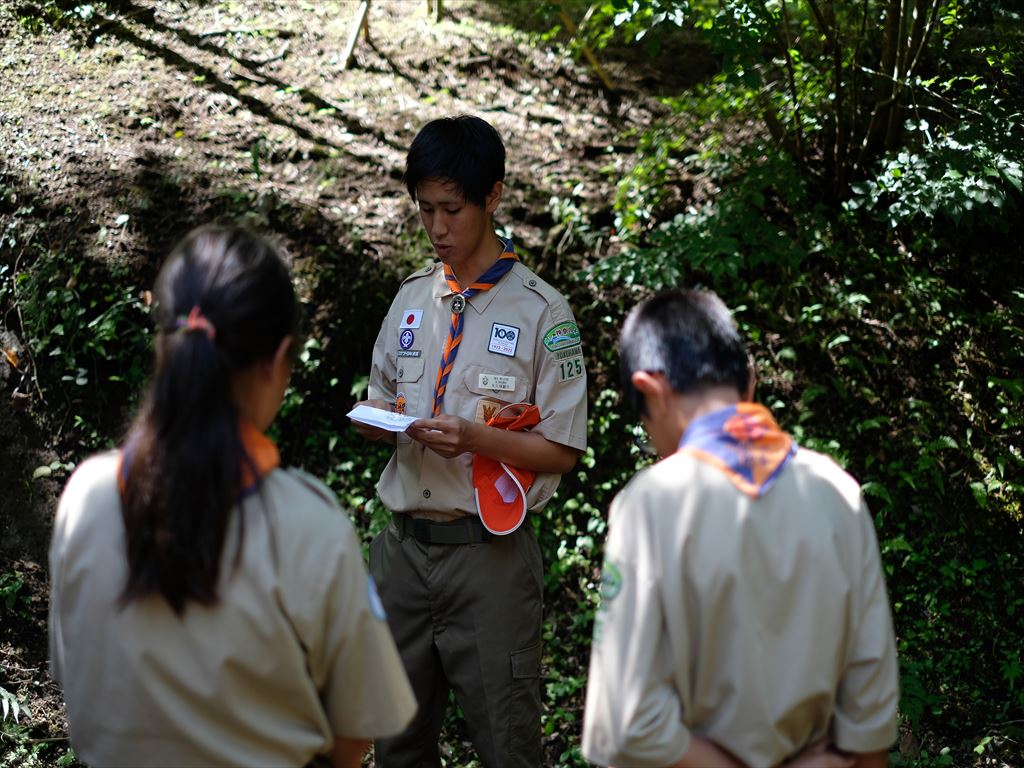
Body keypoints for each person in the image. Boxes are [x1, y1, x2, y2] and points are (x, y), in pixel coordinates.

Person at [49, 225, 416, 768]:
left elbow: (70, 673)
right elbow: (353, 736)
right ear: (279, 359)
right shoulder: (306, 526)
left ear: (162, 345)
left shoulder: (86, 496)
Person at [352, 115, 588, 767]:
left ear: (493, 197)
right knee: (397, 746)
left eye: (452, 209)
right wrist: (378, 422)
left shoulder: (542, 313)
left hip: (489, 560)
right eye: (424, 210)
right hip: (401, 555)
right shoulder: (408, 303)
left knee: (507, 745)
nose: (437, 228)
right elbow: (382, 401)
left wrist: (477, 437)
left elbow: (563, 449)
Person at [581, 289, 899, 768]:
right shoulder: (838, 493)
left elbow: (628, 722)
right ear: (749, 383)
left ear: (649, 390)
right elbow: (869, 719)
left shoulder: (649, 505)